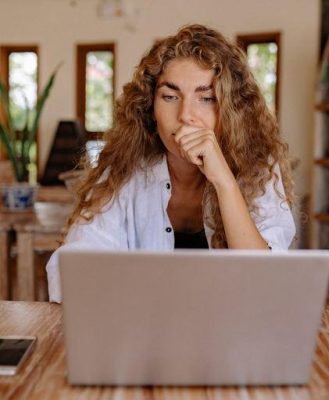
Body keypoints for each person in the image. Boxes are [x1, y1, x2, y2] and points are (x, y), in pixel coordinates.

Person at [46, 24, 296, 303]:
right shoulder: (123, 168)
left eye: (206, 98)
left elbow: (265, 284)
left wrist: (224, 182)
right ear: (150, 107)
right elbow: (67, 270)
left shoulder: (258, 167)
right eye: (170, 96)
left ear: (231, 110)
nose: (186, 115)